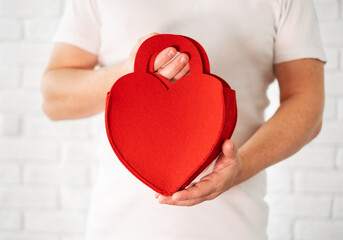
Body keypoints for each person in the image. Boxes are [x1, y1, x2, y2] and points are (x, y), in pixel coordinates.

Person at [41, 0, 326, 239]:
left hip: (235, 230)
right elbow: (53, 98)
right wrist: (129, 74)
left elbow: (306, 102)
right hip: (117, 229)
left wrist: (242, 167)